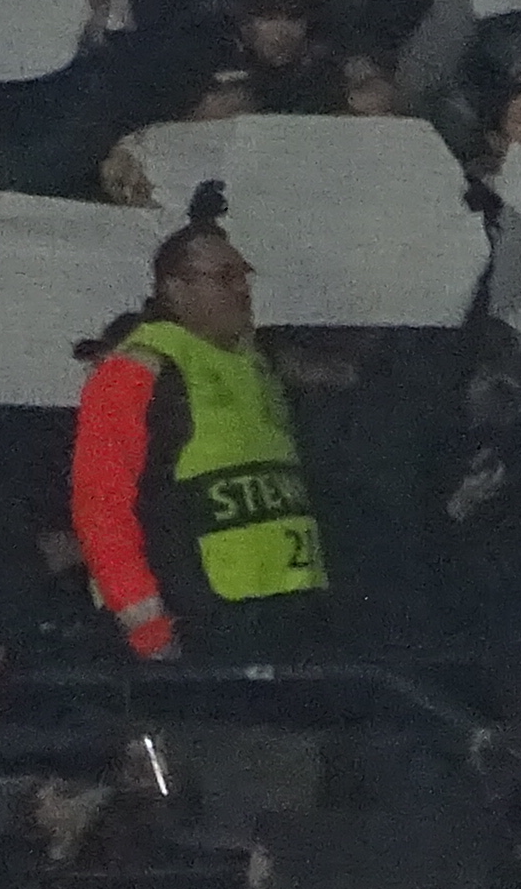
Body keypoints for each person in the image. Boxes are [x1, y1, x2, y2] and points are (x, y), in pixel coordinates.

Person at [67, 199, 328, 669]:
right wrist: (144, 621)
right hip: (198, 624)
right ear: (176, 288)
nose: (242, 289)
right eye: (224, 278)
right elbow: (101, 502)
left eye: (243, 275)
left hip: (282, 614)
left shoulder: (256, 364)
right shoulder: (139, 368)